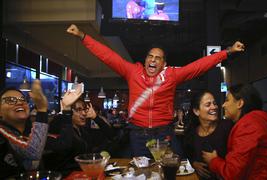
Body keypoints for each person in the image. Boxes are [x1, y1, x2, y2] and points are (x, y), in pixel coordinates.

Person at [66, 24, 245, 157]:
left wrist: (227, 52)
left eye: (157, 58)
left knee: (174, 167)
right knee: (141, 172)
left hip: (163, 133)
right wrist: (83, 36)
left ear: (163, 64)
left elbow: (199, 66)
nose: (153, 60)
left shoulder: (172, 75)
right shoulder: (132, 72)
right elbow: (108, 56)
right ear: (145, 60)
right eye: (150, 56)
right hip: (138, 133)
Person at [202, 84, 267, 179]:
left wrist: (213, 161)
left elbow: (232, 173)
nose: (223, 105)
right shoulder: (260, 120)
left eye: (227, 100)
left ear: (240, 103)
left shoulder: (248, 125)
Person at [0, 80, 49, 178]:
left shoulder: (30, 134)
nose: (19, 102)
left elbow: (64, 145)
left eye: (23, 99)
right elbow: (33, 153)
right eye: (10, 100)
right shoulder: (2, 132)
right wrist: (42, 109)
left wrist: (67, 109)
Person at [184, 91, 233, 179]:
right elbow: (187, 154)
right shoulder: (192, 134)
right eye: (208, 105)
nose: (214, 107)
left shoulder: (227, 127)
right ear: (196, 111)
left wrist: (216, 161)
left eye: (214, 103)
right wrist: (193, 163)